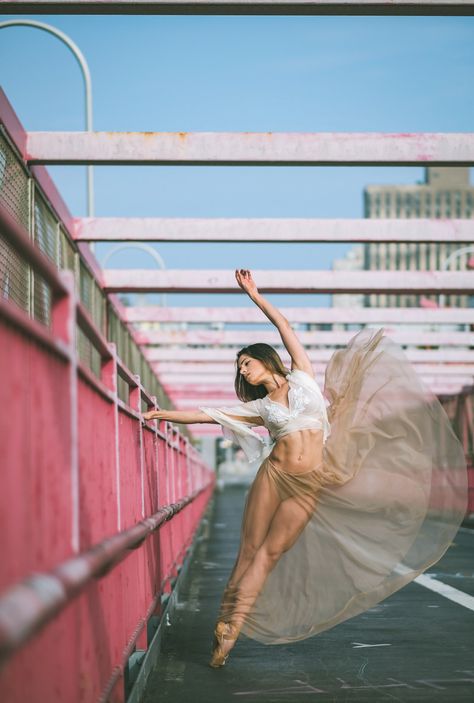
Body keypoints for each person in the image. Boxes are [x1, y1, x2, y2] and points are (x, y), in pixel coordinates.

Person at [142, 269, 468, 669]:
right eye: (239, 368)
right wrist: (163, 414)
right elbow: (207, 414)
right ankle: (226, 625)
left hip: (309, 482)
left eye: (247, 363)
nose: (243, 371)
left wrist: (255, 296)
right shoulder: (260, 408)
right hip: (274, 477)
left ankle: (234, 623)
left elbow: (284, 327)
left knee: (271, 554)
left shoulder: (303, 376)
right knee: (248, 552)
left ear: (265, 360)